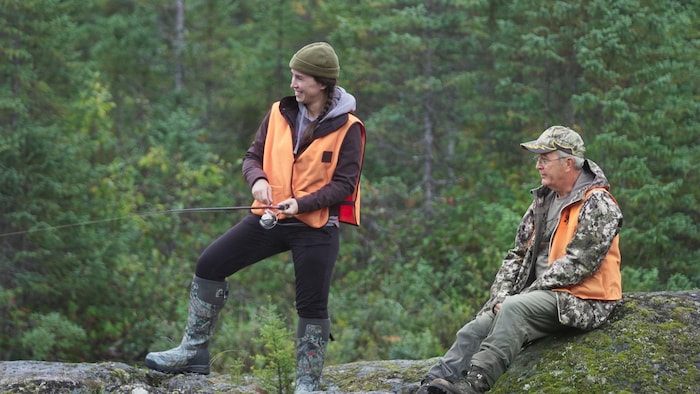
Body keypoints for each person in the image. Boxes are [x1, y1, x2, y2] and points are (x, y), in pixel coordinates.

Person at [144, 42, 366, 393]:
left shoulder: (349, 128)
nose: (293, 84)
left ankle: (307, 384)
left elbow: (344, 185)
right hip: (269, 217)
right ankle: (193, 352)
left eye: (300, 78)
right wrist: (258, 179)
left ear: (322, 83)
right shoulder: (279, 112)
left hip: (317, 226)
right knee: (210, 263)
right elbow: (251, 157)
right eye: (292, 76)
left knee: (311, 305)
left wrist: (302, 203)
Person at [416, 126, 623, 394]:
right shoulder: (543, 201)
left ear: (568, 163)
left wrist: (522, 296)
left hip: (582, 300)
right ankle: (431, 384)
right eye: (537, 159)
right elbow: (517, 255)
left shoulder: (598, 204)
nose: (538, 166)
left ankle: (473, 385)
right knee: (478, 325)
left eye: (544, 159)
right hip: (540, 297)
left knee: (514, 309)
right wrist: (499, 297)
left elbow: (579, 265)